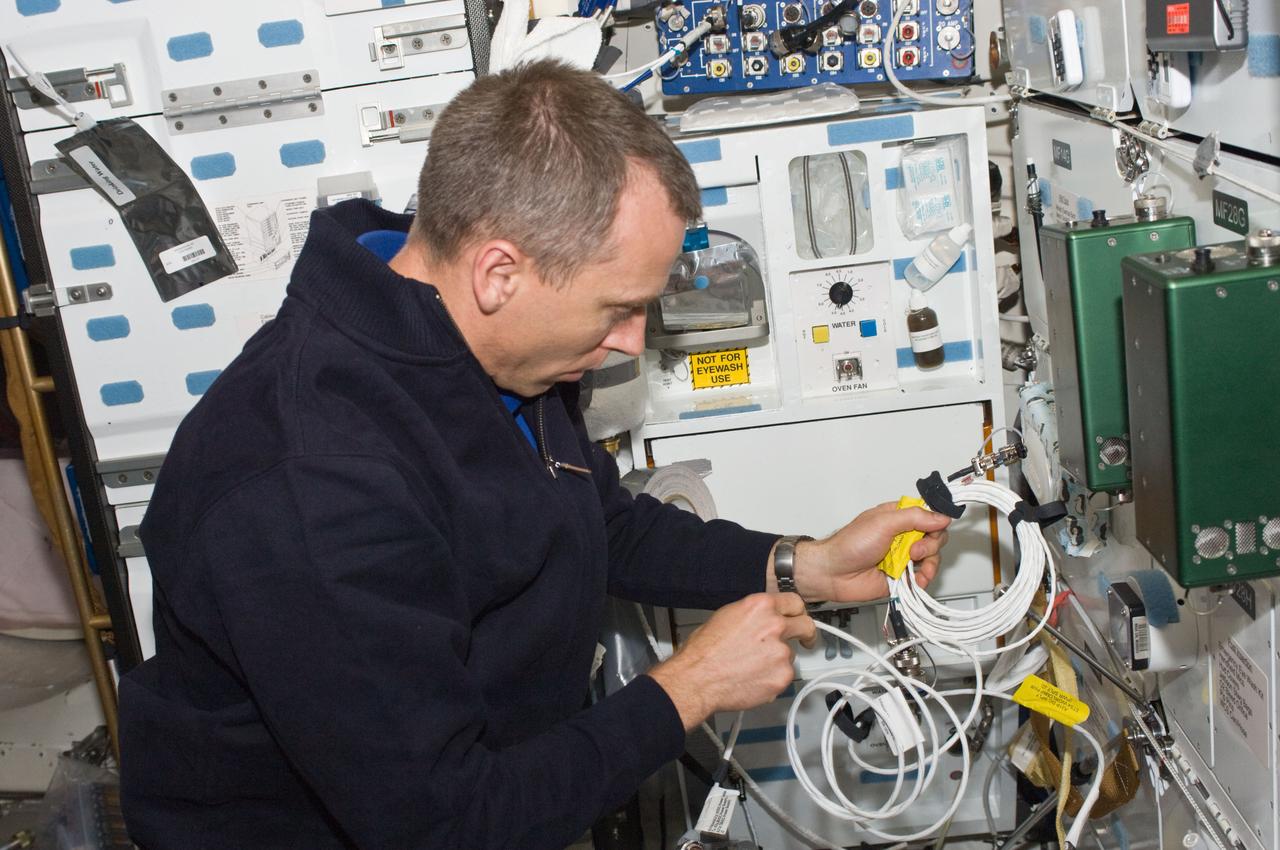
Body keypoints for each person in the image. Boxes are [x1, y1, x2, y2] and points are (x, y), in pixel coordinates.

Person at [118, 59, 950, 850]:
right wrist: (690, 687)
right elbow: (444, 825)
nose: (629, 343)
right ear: (499, 273)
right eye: (619, 309)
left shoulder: (484, 344)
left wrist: (797, 565)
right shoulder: (310, 480)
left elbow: (592, 521)